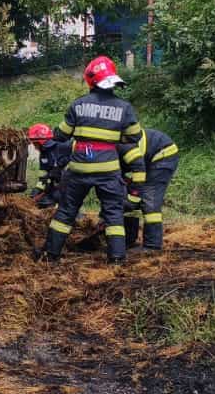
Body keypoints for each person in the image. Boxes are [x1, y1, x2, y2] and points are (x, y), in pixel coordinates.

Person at [39, 56, 141, 264]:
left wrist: (56, 132)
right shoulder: (124, 107)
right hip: (108, 170)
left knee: (66, 211)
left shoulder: (78, 105)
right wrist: (112, 138)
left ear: (91, 80)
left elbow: (62, 135)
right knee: (113, 215)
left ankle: (51, 256)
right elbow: (135, 135)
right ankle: (117, 259)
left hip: (79, 169)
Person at [121, 127, 180, 250]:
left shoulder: (123, 146)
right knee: (126, 197)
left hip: (163, 154)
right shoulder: (105, 155)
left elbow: (139, 170)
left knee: (149, 201)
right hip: (145, 160)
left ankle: (152, 246)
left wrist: (133, 197)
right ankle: (128, 239)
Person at [27, 122, 69, 209]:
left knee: (66, 206)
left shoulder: (63, 146)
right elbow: (44, 176)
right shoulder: (43, 154)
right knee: (43, 202)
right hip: (55, 186)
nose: (35, 148)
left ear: (41, 141)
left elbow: (79, 156)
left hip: (70, 184)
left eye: (35, 144)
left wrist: (60, 167)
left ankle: (80, 219)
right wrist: (37, 190)